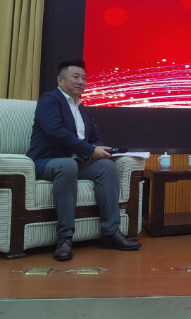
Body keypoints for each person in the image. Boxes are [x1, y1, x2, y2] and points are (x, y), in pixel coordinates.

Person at [26, 59, 141, 261]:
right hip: (47, 161)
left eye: (84, 78)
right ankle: (65, 237)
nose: (81, 82)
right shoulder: (49, 100)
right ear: (60, 80)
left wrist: (101, 150)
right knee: (67, 165)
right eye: (76, 77)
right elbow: (55, 132)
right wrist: (89, 150)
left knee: (106, 166)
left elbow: (95, 139)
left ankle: (110, 233)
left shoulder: (84, 110)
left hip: (76, 163)